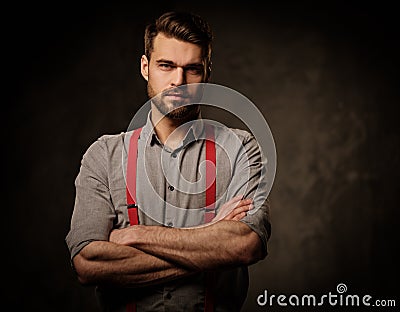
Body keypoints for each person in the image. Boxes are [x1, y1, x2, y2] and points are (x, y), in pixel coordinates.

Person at [66, 11, 271, 312]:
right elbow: (88, 263)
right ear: (145, 67)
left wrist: (135, 236)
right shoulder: (104, 156)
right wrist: (212, 237)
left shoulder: (241, 148)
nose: (179, 81)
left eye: (192, 69)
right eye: (166, 66)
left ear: (207, 74)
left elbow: (244, 245)